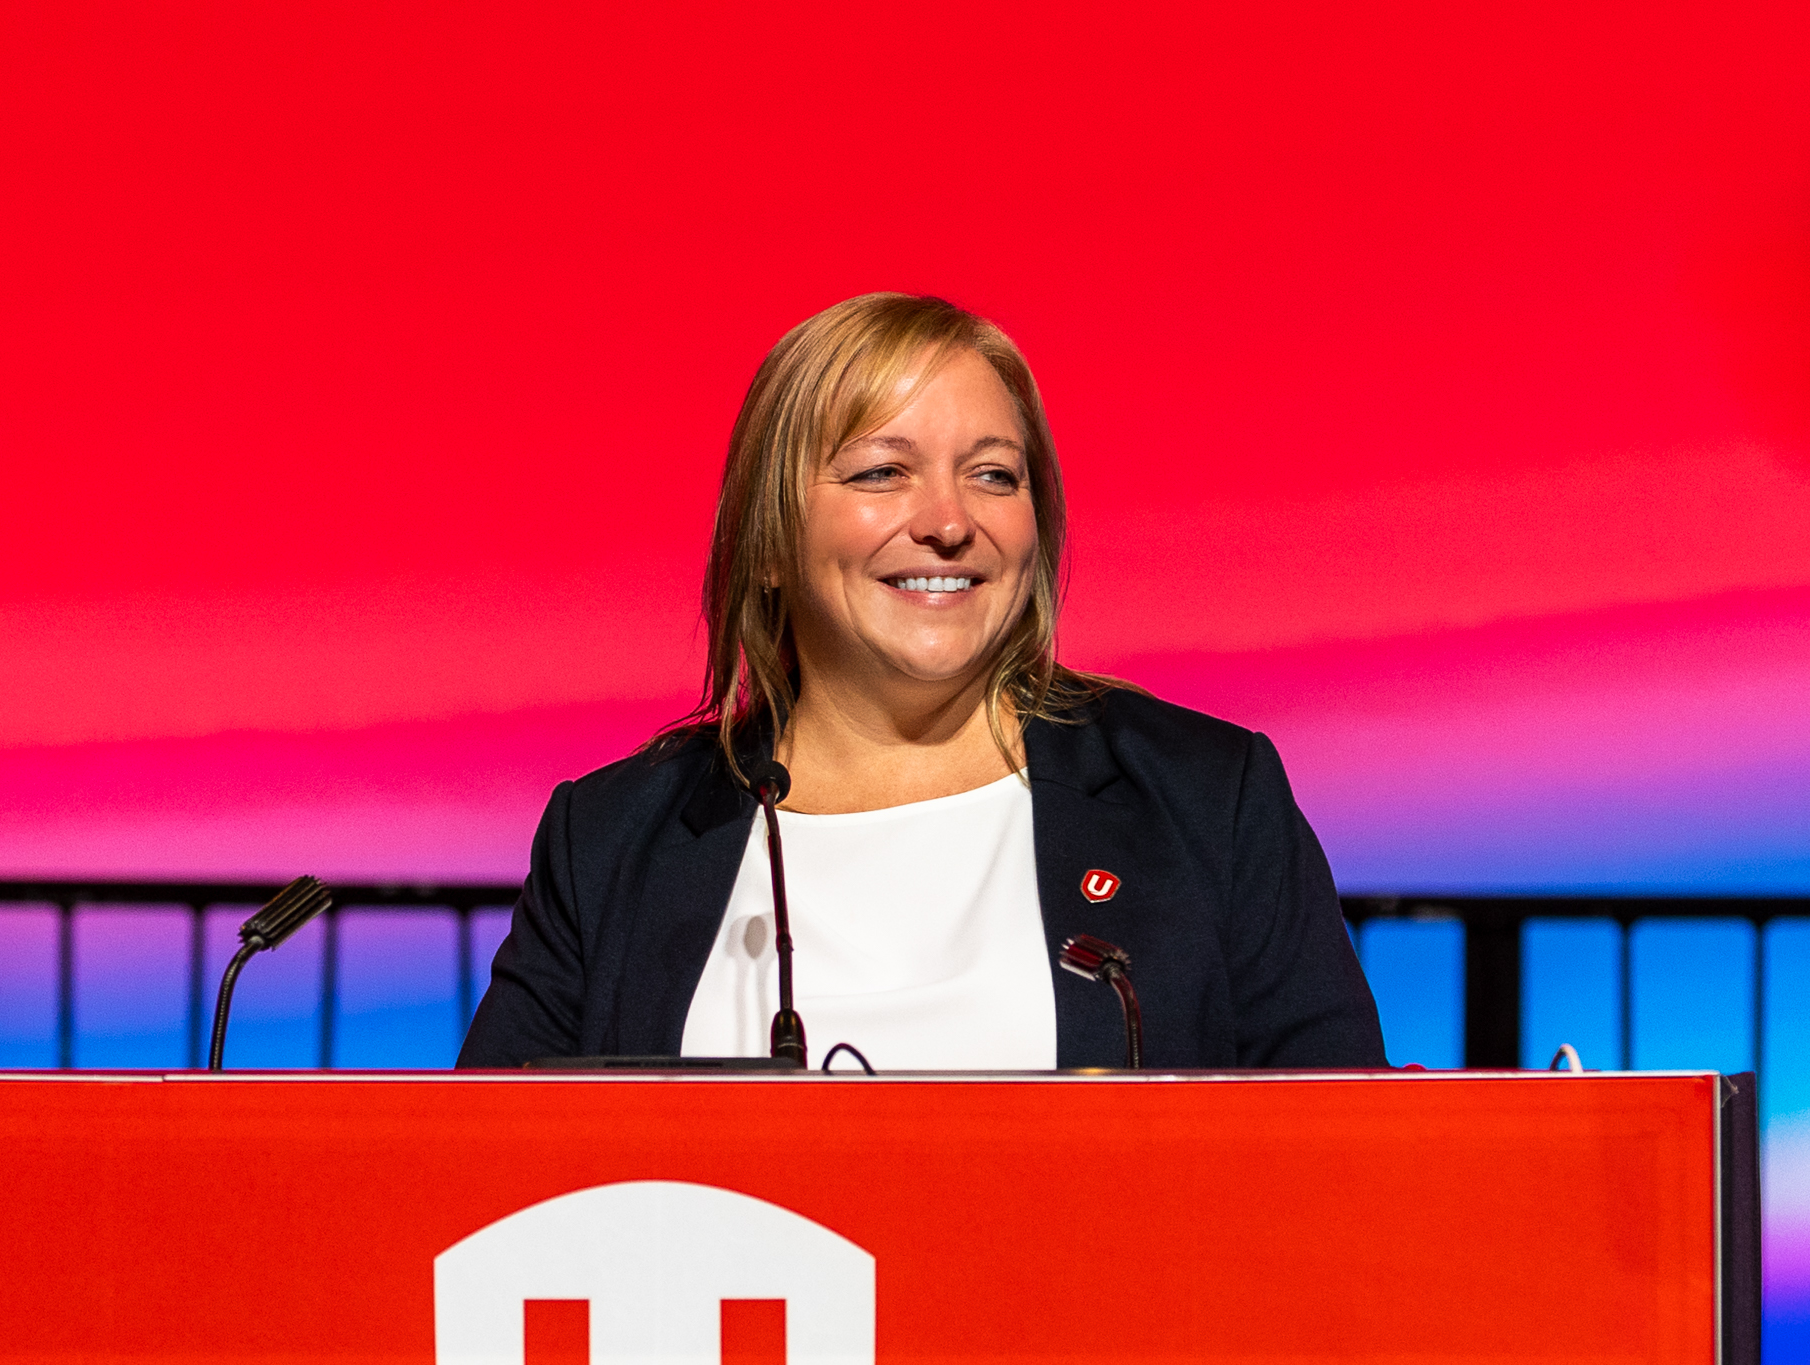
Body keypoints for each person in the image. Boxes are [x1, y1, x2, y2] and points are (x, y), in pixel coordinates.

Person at [459, 293, 1384, 1070]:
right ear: (772, 541)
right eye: (883, 471)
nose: (948, 521)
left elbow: (1362, 1178)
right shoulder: (614, 841)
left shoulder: (1207, 801)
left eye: (992, 474)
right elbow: (473, 1191)